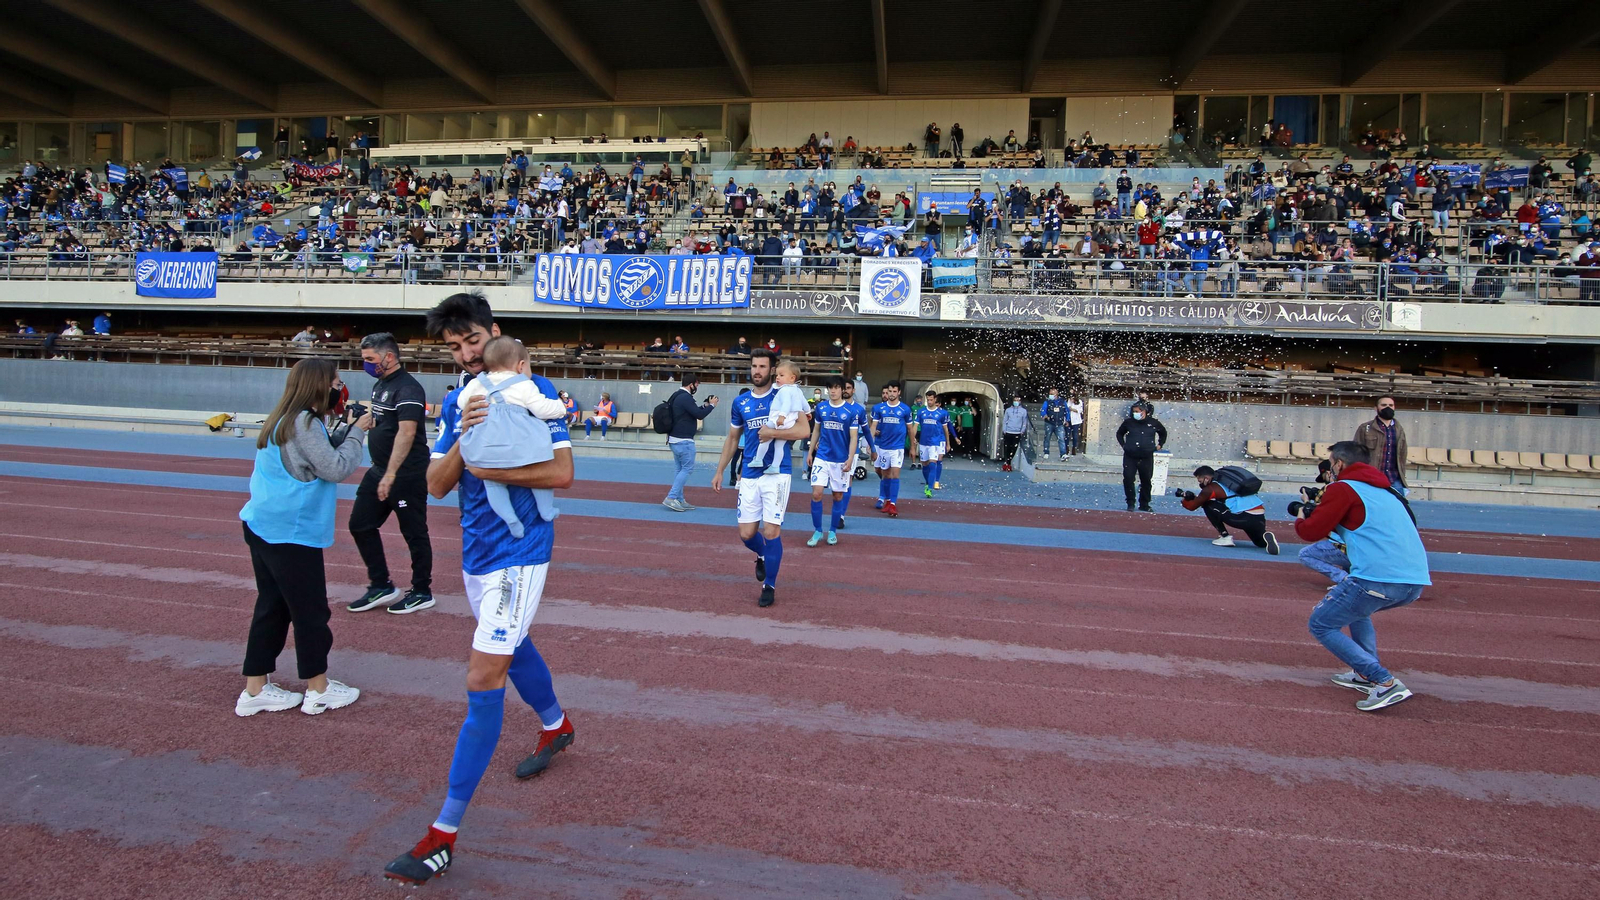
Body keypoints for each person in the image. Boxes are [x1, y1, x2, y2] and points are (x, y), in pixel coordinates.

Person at [384, 293, 577, 884]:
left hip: (521, 555)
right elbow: (438, 485)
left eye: (472, 341)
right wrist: (466, 437)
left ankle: (442, 834)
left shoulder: (535, 391)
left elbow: (562, 474)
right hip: (477, 554)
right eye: (455, 347)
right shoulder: (456, 402)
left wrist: (491, 470)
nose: (466, 354)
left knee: (482, 676)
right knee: (513, 646)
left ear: (494, 332)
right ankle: (557, 725)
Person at [236, 358, 370, 717]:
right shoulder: (306, 422)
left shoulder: (283, 419)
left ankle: (255, 688)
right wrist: (358, 433)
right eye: (336, 381)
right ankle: (318, 688)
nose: (340, 388)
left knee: (272, 607)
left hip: (263, 524)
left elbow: (315, 459)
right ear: (320, 385)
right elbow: (336, 467)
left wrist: (344, 431)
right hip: (290, 531)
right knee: (310, 611)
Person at [1295, 442, 1431, 712]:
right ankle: (1364, 673)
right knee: (1358, 611)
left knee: (1321, 624)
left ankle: (1384, 681)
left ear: (1339, 464)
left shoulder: (1343, 488)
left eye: (1331, 462)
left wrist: (1302, 516)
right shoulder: (1387, 491)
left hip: (1377, 578)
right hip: (1414, 582)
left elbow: (1310, 532)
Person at [711, 349, 811, 608]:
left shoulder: (785, 393)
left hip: (778, 473)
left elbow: (804, 430)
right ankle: (763, 555)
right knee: (747, 534)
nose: (757, 371)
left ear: (772, 370)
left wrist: (773, 433)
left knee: (771, 530)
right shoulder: (740, 402)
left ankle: (770, 586)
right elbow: (733, 438)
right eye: (754, 366)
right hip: (749, 475)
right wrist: (721, 469)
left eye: (763, 367)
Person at [346, 333, 434, 614]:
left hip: (405, 474)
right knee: (360, 524)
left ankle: (422, 590)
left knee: (414, 533)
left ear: (389, 357)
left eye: (370, 359)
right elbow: (389, 423)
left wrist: (391, 474)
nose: (367, 364)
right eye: (364, 359)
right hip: (380, 470)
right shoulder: (380, 385)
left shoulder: (408, 389)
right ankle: (381, 585)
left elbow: (408, 433)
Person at [455, 336, 567, 538]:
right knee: (537, 474)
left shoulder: (476, 384)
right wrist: (560, 407)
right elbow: (542, 409)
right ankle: (546, 510)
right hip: (519, 444)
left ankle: (510, 519)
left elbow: (463, 402)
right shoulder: (523, 384)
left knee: (492, 483)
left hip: (488, 446)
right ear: (521, 365)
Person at [804, 376, 859, 547]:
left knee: (837, 495)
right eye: (830, 388)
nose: (833, 391)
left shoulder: (851, 412)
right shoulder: (821, 408)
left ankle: (833, 531)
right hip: (822, 457)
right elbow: (816, 430)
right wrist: (811, 451)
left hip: (840, 460)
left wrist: (850, 458)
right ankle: (818, 530)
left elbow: (853, 437)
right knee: (816, 494)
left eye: (836, 388)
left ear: (843, 390)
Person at [1178, 465, 1280, 555]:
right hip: (1259, 517)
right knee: (1260, 543)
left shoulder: (1210, 489)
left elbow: (1192, 506)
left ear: (1206, 478)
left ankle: (1225, 537)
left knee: (1207, 504)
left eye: (1200, 481)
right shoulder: (1230, 483)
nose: (1200, 484)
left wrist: (1185, 498)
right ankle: (1267, 536)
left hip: (1243, 517)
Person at [663, 374, 718, 512]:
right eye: (697, 385)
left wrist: (705, 405)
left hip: (674, 439)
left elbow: (694, 411)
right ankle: (671, 497)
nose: (697, 388)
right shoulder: (685, 397)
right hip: (684, 441)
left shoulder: (677, 395)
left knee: (679, 470)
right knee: (687, 469)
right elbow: (699, 415)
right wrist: (712, 406)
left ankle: (679, 499)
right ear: (691, 384)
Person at [759, 359, 809, 476]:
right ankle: (774, 465)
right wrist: (808, 412)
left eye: (781, 375)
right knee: (778, 444)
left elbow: (786, 404)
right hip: (788, 422)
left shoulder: (784, 390)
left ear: (792, 378)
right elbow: (804, 403)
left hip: (781, 420)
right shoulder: (797, 390)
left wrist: (781, 417)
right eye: (777, 375)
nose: (777, 378)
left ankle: (758, 459)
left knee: (765, 434)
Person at [869, 381, 912, 517]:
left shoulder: (905, 409)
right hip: (883, 447)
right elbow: (873, 427)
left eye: (894, 391)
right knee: (885, 474)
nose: (892, 394)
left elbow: (910, 429)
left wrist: (912, 447)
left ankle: (893, 504)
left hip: (897, 448)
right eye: (890, 391)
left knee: (895, 475)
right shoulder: (879, 408)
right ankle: (887, 500)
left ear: (899, 392)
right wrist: (871, 445)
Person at [1116, 401, 1166, 511]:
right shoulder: (1128, 423)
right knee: (1128, 479)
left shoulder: (1153, 423)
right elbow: (1119, 433)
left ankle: (1144, 504)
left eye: (1137, 412)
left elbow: (1163, 432)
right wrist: (1124, 445)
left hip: (1146, 456)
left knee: (1146, 481)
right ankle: (1130, 502)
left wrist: (1160, 444)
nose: (1135, 414)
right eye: (1134, 412)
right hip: (1130, 456)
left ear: (1144, 412)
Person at [1353, 396, 1408, 496]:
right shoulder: (1365, 428)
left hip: (1394, 479)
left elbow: (1403, 454)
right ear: (1376, 408)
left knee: (1397, 508)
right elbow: (1356, 453)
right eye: (1383, 405)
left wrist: (1402, 475)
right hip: (1371, 479)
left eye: (1391, 405)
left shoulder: (1399, 430)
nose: (1388, 407)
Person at [912, 390, 953, 498]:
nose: (929, 402)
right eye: (928, 400)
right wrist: (913, 438)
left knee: (932, 464)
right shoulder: (921, 412)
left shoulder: (941, 413)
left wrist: (948, 443)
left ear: (935, 399)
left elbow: (945, 429)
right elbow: (915, 426)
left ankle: (930, 488)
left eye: (931, 399)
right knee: (924, 465)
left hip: (935, 443)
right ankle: (927, 483)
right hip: (923, 442)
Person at [1000, 396, 1028, 472]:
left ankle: (1008, 463)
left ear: (1020, 402)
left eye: (1018, 400)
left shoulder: (1023, 411)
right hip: (1008, 431)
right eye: (1015, 400)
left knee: (1013, 449)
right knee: (1007, 448)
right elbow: (1005, 420)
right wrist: (1004, 430)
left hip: (1017, 432)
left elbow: (1024, 422)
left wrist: (1022, 430)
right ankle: (1007, 463)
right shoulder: (1008, 410)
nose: (1016, 402)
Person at [1041, 388, 1069, 460]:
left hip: (1059, 423)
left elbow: (1067, 411)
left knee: (1061, 439)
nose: (1050, 395)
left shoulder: (1062, 401)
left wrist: (1067, 420)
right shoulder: (1047, 401)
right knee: (1047, 438)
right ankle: (1046, 452)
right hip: (1049, 423)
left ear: (1056, 394)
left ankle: (1063, 454)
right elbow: (1043, 410)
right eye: (1050, 394)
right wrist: (1044, 415)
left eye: (1052, 394)